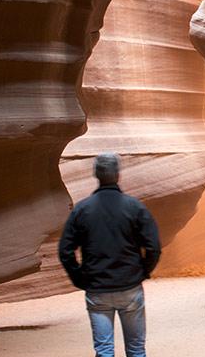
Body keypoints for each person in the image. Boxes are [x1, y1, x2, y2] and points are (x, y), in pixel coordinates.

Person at [59, 153, 161, 357]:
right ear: (118, 175)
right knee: (136, 350)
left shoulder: (82, 209)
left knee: (104, 350)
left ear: (96, 174)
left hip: (97, 289)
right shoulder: (134, 207)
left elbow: (65, 251)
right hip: (130, 287)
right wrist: (142, 272)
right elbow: (153, 247)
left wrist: (80, 278)